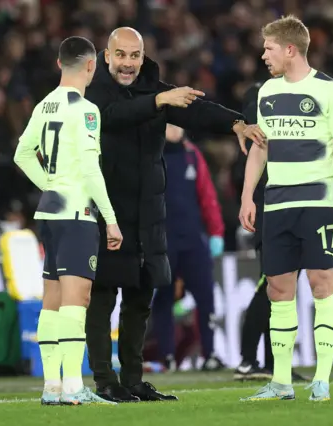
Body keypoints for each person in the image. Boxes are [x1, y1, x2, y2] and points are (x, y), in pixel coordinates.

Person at [83, 27, 251, 403]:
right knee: (103, 298)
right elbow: (110, 116)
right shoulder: (93, 90)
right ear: (106, 56)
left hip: (148, 214)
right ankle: (104, 380)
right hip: (107, 213)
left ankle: (132, 379)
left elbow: (195, 107)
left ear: (143, 57)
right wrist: (160, 100)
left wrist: (235, 122)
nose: (128, 63)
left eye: (135, 56)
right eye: (121, 55)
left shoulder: (153, 89)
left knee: (141, 299)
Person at [239, 15, 333, 402]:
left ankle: (321, 379)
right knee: (277, 289)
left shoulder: (329, 90)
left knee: (322, 285)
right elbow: (260, 147)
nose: (263, 54)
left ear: (290, 49)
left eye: (269, 48)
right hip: (277, 204)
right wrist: (247, 196)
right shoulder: (266, 92)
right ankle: (282, 381)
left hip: (319, 204)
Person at [13, 36, 122, 406]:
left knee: (53, 301)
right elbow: (91, 170)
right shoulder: (86, 109)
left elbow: (22, 154)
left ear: (60, 64)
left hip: (49, 212)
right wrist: (110, 219)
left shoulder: (44, 105)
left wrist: (50, 184)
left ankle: (51, 387)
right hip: (76, 214)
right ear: (91, 66)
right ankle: (74, 387)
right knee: (78, 300)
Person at [232, 82, 309, 383]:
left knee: (278, 289)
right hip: (272, 210)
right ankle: (249, 361)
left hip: (281, 208)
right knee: (272, 286)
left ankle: (269, 362)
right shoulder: (261, 125)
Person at [151, 124, 225, 372]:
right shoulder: (152, 154)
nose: (177, 129)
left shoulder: (192, 154)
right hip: (163, 239)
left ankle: (210, 353)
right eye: (172, 124)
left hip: (193, 238)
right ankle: (168, 356)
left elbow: (207, 195)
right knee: (163, 298)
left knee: (206, 297)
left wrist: (216, 232)